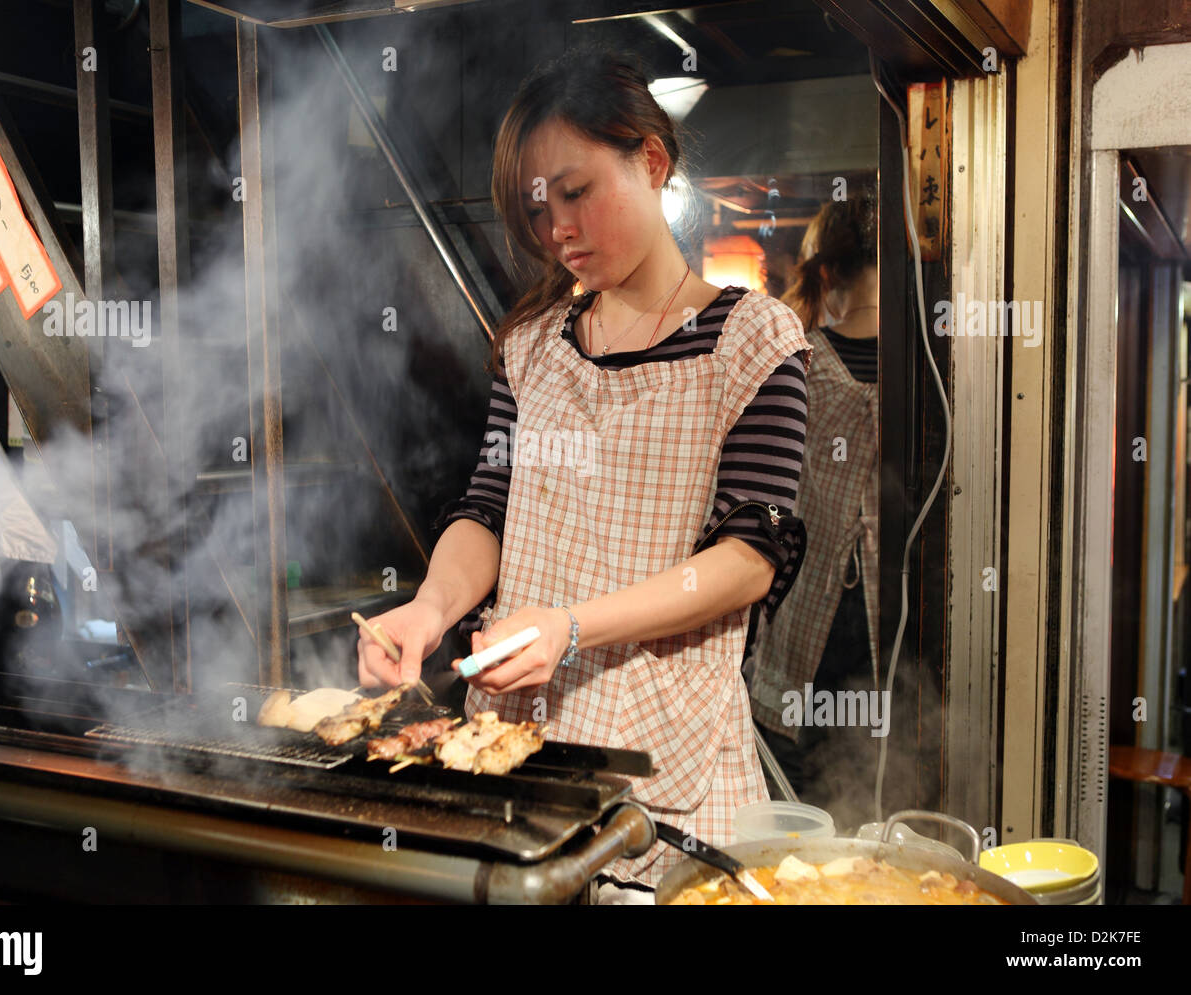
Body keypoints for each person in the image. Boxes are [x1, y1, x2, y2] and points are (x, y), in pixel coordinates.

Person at [357, 48, 812, 895]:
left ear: (651, 159)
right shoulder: (530, 348)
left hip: (669, 770)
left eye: (576, 193)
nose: (556, 230)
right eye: (537, 210)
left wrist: (571, 626)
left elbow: (749, 556)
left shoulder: (754, 342)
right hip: (517, 754)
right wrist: (430, 606)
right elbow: (487, 508)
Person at [746, 195, 880, 826]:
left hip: (800, 626)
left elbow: (766, 506)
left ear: (826, 274)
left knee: (797, 819)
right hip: (890, 637)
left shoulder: (799, 364)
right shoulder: (929, 369)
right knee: (878, 802)